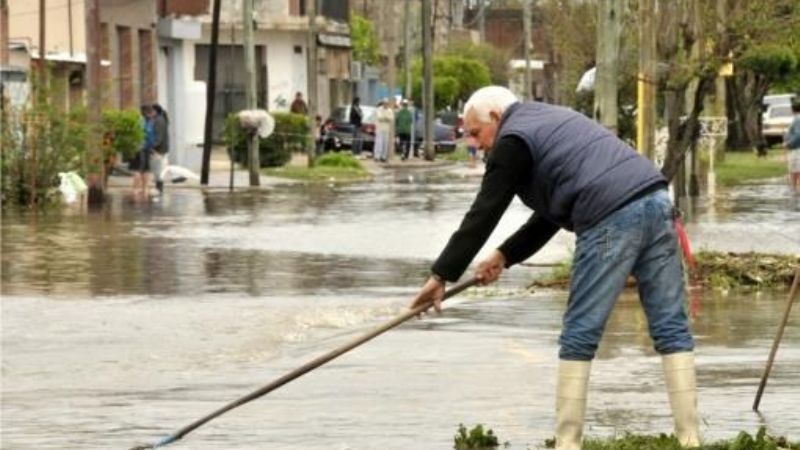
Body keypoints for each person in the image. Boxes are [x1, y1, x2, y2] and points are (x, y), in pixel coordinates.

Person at [409, 86, 700, 450]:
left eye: (475, 132)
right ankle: (690, 441)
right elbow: (554, 211)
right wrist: (504, 254)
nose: (475, 143)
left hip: (611, 218)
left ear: (496, 119)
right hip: (657, 203)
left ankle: (567, 444)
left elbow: (483, 212)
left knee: (580, 332)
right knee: (671, 326)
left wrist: (440, 276)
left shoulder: (512, 141)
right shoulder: (547, 119)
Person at [130, 105, 156, 199]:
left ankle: (136, 189)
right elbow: (150, 135)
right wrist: (152, 146)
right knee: (145, 169)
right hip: (145, 148)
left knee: (139, 169)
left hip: (138, 148)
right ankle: (144, 189)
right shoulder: (148, 122)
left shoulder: (139, 121)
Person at [150, 103, 170, 193]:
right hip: (161, 149)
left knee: (158, 170)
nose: (150, 113)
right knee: (159, 169)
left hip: (159, 150)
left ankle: (159, 188)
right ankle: (159, 187)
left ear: (155, 111)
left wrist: (152, 145)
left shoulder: (159, 121)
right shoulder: (160, 119)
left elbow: (159, 137)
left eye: (152, 111)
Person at [783, 101, 800, 193]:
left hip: (796, 150)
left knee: (795, 171)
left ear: (792, 110)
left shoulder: (797, 120)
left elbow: (798, 135)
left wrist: (788, 143)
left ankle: (794, 191)